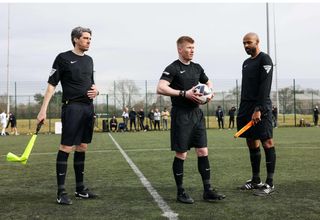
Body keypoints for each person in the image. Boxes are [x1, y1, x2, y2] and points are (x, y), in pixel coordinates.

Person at [157, 36, 225, 204]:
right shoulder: (173, 68)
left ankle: (207, 190)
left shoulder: (197, 68)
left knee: (203, 151)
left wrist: (210, 92)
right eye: (188, 48)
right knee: (182, 154)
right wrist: (184, 93)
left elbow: (207, 81)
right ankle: (181, 192)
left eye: (193, 48)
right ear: (180, 49)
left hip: (197, 114)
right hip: (181, 114)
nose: (192, 50)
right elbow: (161, 87)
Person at [37, 27, 99, 205]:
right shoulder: (63, 58)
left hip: (88, 108)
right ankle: (61, 192)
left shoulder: (89, 60)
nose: (89, 41)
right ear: (75, 39)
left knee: (82, 146)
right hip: (72, 108)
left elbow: (92, 84)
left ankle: (80, 190)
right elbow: (51, 85)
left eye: (90, 38)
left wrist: (97, 91)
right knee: (66, 147)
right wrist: (43, 110)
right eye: (85, 38)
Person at [236, 32, 276, 196]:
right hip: (245, 107)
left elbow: (265, 86)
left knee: (266, 142)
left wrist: (259, 109)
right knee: (251, 142)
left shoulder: (265, 59)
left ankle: (270, 183)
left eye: (249, 42)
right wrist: (244, 109)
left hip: (260, 106)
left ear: (257, 42)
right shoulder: (246, 63)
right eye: (244, 43)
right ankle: (255, 180)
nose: (246, 46)